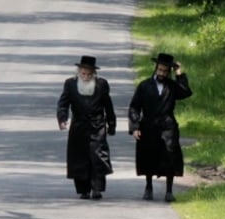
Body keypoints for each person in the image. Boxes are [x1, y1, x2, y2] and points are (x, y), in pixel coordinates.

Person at [128, 52, 193, 202]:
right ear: (156, 68)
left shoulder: (172, 86)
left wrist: (179, 73)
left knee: (170, 155)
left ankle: (169, 191)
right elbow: (134, 107)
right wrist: (135, 126)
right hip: (148, 126)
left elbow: (186, 92)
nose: (162, 73)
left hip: (167, 126)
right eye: (160, 70)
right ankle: (148, 187)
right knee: (148, 156)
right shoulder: (144, 85)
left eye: (165, 71)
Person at [57, 55, 117, 199]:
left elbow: (108, 106)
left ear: (94, 73)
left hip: (98, 126)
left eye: (89, 74)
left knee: (98, 157)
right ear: (78, 72)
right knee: (79, 158)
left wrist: (111, 124)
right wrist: (62, 119)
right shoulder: (70, 84)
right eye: (83, 73)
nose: (86, 76)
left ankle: (97, 189)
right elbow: (63, 103)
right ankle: (83, 190)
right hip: (78, 127)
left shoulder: (101, 84)